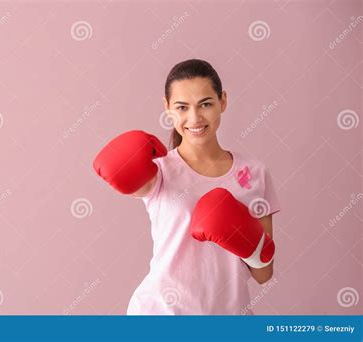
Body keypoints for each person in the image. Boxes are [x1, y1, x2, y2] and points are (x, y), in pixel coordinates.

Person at [93, 59, 281, 315]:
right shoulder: (158, 171)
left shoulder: (254, 173)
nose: (195, 118)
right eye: (182, 107)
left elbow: (263, 274)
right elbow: (124, 175)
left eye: (205, 104)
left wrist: (247, 240)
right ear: (167, 108)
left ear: (222, 101)